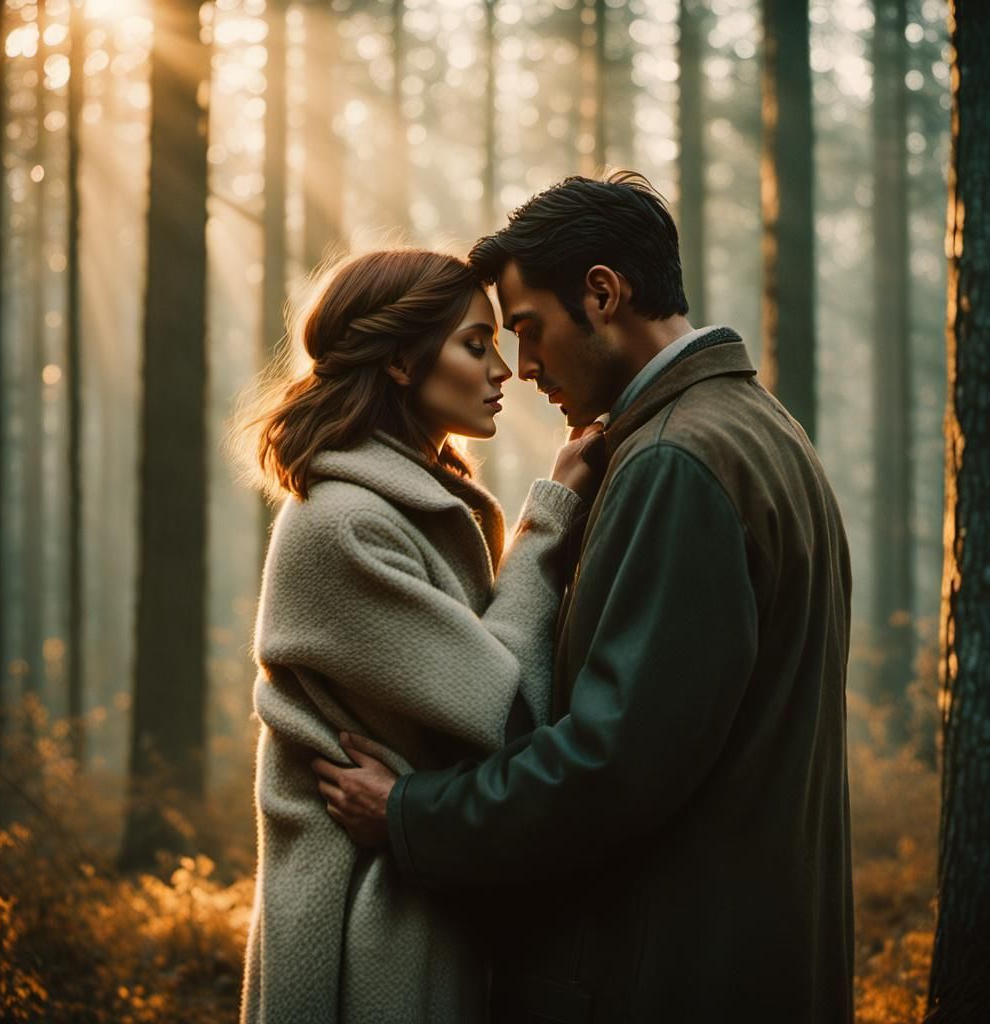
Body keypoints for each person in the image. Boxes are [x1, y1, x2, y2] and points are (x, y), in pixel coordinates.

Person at [316, 172, 856, 1023]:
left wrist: (414, 814)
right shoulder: (757, 429)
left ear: (602, 293)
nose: (522, 369)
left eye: (527, 332)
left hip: (665, 974)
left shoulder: (676, 463)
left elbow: (613, 763)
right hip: (739, 952)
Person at [236, 247, 601, 1024]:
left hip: (411, 904)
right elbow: (510, 712)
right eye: (477, 344)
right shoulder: (346, 526)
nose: (503, 369)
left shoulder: (407, 506)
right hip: (363, 937)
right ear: (401, 360)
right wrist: (547, 524)